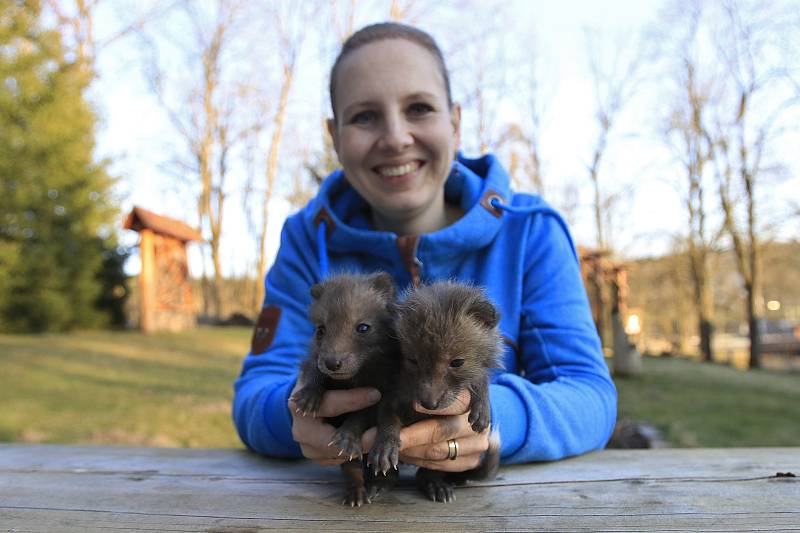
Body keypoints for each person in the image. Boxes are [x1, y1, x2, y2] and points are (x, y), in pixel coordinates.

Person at [233, 22, 617, 472]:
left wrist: (492, 423)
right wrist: (297, 412)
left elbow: (591, 396)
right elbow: (254, 396)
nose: (395, 138)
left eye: (418, 108)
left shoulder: (530, 232)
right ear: (334, 135)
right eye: (364, 116)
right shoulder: (305, 238)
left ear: (454, 123)